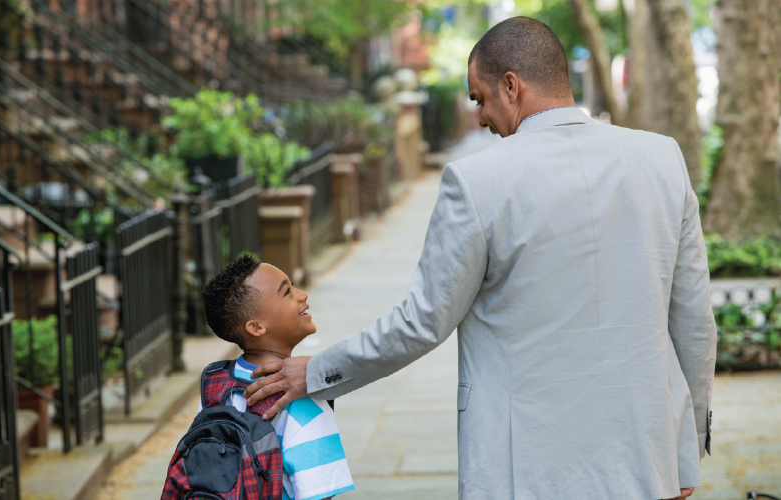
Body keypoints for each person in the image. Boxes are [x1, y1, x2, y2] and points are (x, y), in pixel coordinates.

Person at [244, 16, 716, 500]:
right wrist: (685, 452)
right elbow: (695, 322)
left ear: (511, 86)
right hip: (647, 462)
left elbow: (421, 323)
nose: (479, 117)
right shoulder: (662, 159)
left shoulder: (474, 182)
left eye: (480, 98)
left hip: (527, 473)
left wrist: (317, 371)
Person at [201, 255, 355, 500]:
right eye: (287, 292)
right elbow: (318, 494)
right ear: (256, 327)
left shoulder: (213, 385)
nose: (303, 294)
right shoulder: (302, 398)